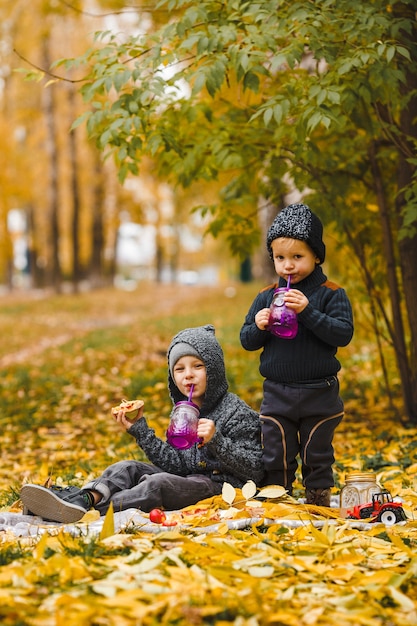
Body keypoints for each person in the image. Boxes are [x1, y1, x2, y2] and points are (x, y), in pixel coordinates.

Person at [20, 324, 264, 523]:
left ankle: (88, 510)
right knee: (127, 468)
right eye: (179, 369)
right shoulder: (184, 413)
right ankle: (83, 498)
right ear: (173, 377)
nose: (188, 374)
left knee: (157, 484)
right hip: (186, 478)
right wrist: (139, 430)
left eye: (198, 366)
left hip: (220, 486)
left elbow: (255, 469)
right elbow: (175, 463)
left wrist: (217, 441)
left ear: (215, 370)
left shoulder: (236, 412)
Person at [240, 203, 353, 506]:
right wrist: (260, 326)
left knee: (317, 449)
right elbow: (246, 340)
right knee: (276, 447)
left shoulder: (331, 293)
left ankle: (317, 497)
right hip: (278, 392)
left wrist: (308, 312)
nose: (288, 265)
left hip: (320, 392)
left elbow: (342, 333)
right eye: (280, 258)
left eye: (297, 257)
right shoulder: (266, 295)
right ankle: (280, 495)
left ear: (316, 256)